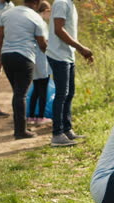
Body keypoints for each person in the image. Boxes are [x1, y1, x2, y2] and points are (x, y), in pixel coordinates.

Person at [0, 0, 46, 139]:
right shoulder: (35, 17)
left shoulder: (7, 13)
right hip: (24, 57)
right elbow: (42, 44)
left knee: (17, 93)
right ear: (36, 2)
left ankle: (20, 127)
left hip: (7, 57)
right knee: (20, 94)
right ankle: (20, 131)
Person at [46, 0, 93, 147]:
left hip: (67, 55)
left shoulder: (71, 4)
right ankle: (57, 134)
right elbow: (58, 30)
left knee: (69, 93)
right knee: (62, 94)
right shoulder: (61, 2)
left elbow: (69, 30)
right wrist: (80, 48)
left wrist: (79, 51)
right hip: (58, 55)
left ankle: (67, 130)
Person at [27, 0, 51, 125]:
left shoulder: (33, 21)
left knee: (36, 88)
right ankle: (40, 116)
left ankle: (31, 116)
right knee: (43, 88)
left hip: (33, 57)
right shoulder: (42, 23)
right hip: (42, 58)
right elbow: (45, 42)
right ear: (46, 11)